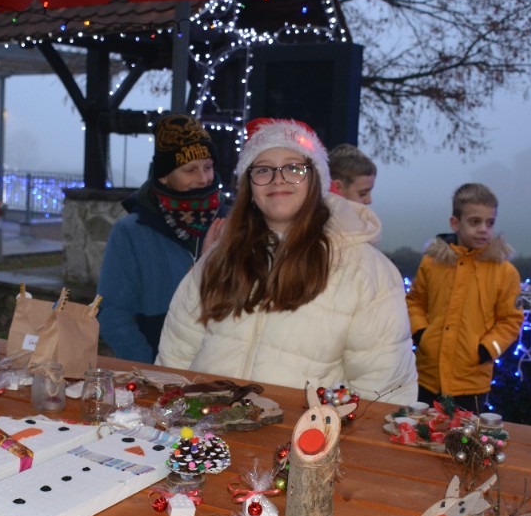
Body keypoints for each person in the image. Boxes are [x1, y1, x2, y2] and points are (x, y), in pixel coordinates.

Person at [156, 118, 417, 404]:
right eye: (263, 169)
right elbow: (175, 358)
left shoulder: (366, 270)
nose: (277, 178)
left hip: (305, 432)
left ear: (316, 179)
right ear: (249, 187)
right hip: (203, 427)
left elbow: (383, 393)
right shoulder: (220, 257)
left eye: (293, 168)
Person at [96, 114, 223, 363]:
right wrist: (151, 368)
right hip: (157, 370)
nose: (204, 178)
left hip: (221, 371)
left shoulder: (233, 224)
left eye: (208, 167)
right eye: (190, 170)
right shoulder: (131, 232)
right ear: (164, 176)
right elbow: (111, 312)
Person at [405, 183, 523, 413]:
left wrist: (486, 350)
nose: (483, 230)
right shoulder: (432, 263)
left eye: (490, 223)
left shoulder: (504, 272)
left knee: (462, 434)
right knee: (420, 430)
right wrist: (421, 334)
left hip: (470, 382)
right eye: (475, 222)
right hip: (427, 375)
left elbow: (511, 320)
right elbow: (415, 302)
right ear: (455, 223)